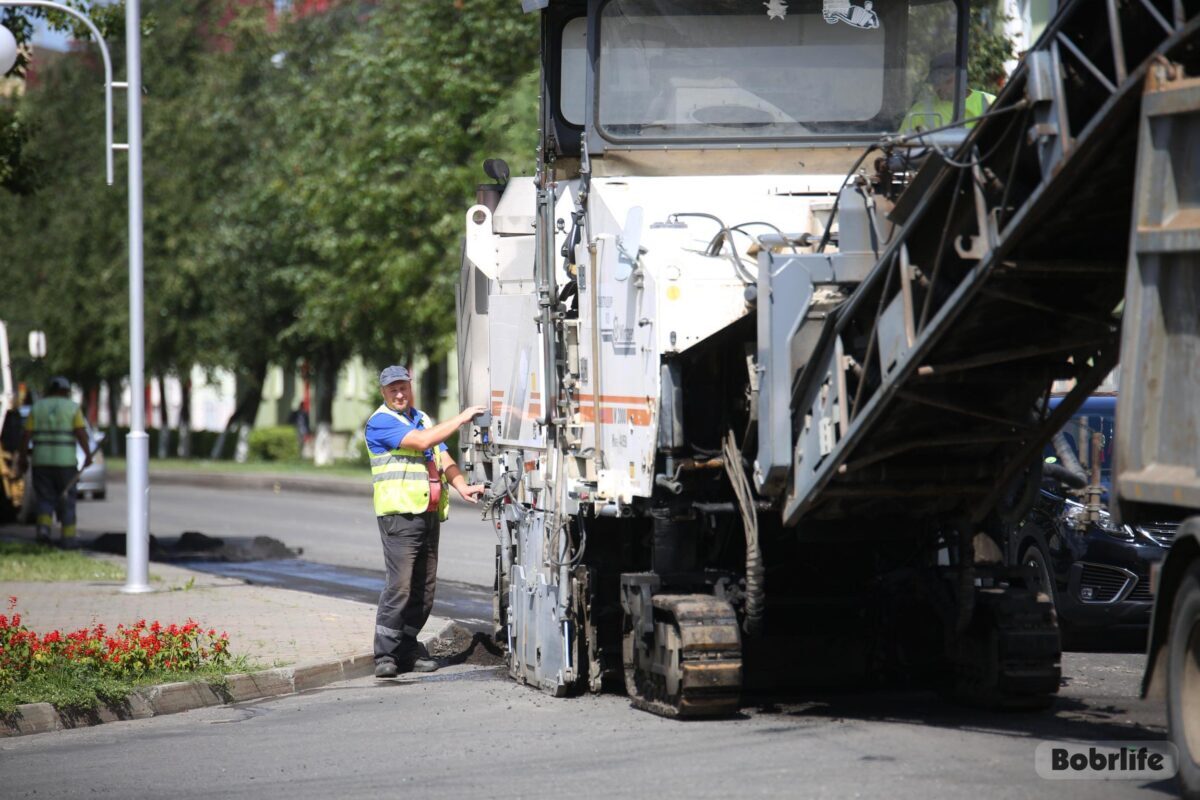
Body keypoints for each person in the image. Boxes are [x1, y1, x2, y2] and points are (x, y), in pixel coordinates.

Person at [365, 365, 486, 677]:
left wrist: (462, 485)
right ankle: (386, 655)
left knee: (424, 588)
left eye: (403, 387)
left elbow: (442, 457)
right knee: (400, 587)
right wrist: (460, 418)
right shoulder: (380, 422)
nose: (400, 393)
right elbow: (421, 443)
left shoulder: (422, 419)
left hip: (428, 515)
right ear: (384, 393)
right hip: (399, 516)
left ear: (411, 387)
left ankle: (408, 649)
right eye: (393, 389)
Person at [17, 376, 91, 545]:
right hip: (66, 463)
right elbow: (80, 433)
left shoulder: (37, 408)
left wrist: (22, 457)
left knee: (44, 498)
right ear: (65, 391)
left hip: (41, 461)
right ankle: (68, 537)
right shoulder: (72, 408)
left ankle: (43, 532)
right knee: (67, 499)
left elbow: (26, 435)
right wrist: (87, 455)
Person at [902, 52, 996, 134]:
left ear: (961, 78)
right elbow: (901, 146)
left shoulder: (990, 103)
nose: (939, 88)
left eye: (946, 81)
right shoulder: (919, 111)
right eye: (935, 82)